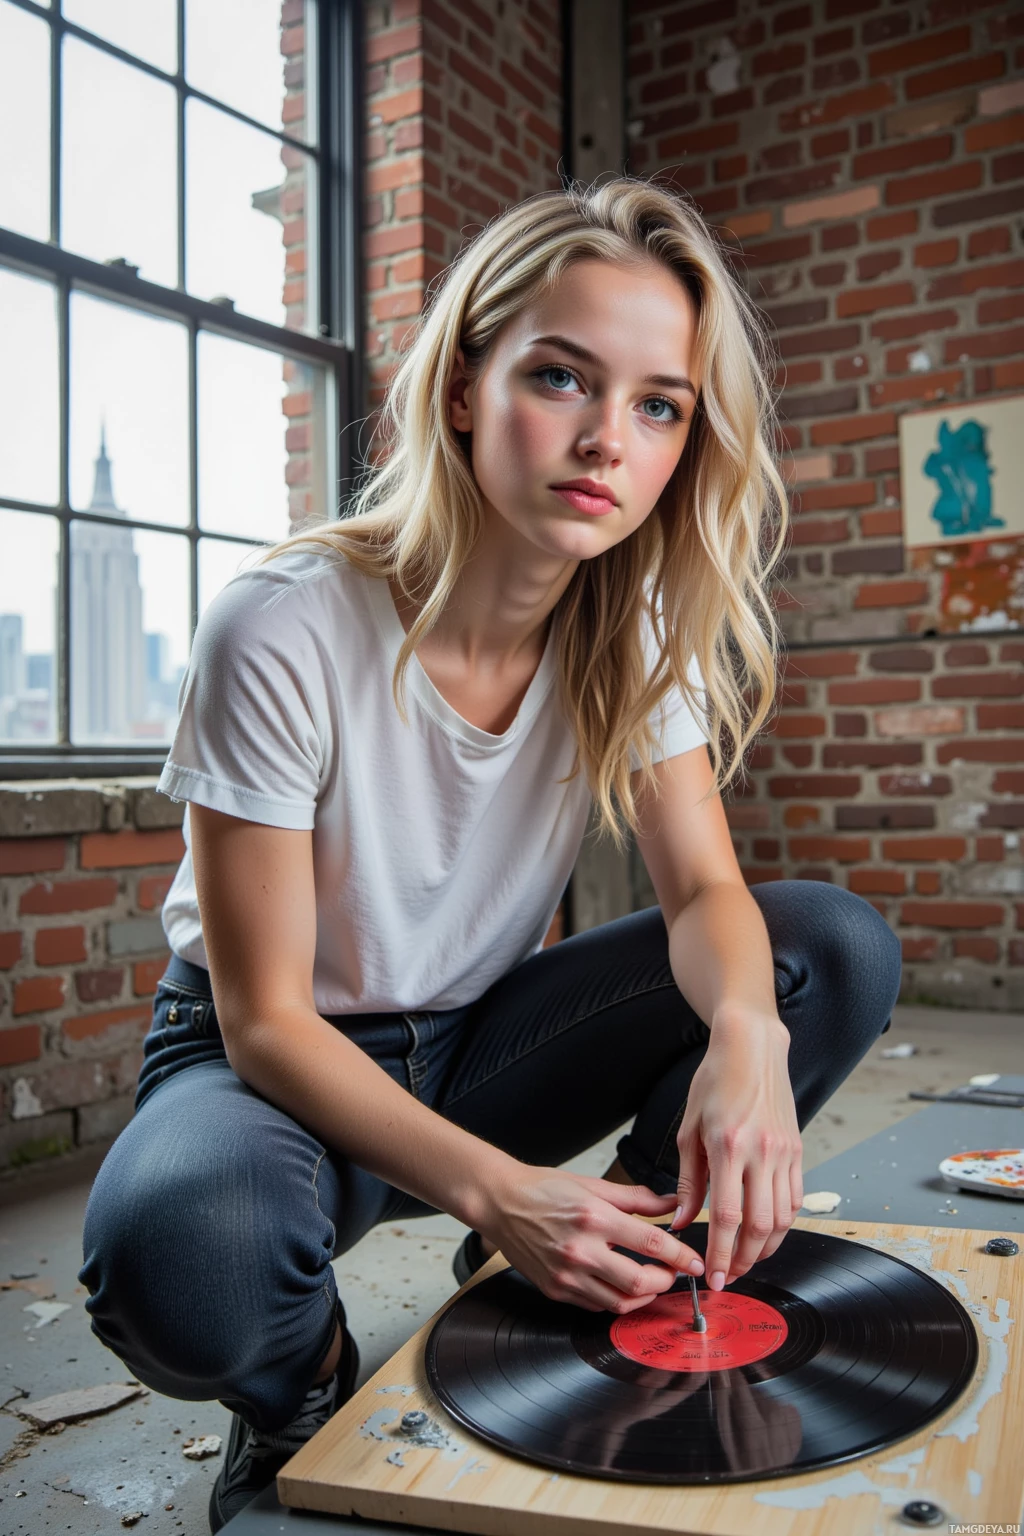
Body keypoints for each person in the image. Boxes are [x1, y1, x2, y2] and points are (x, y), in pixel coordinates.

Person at [79, 177, 902, 1531]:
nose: (606, 440)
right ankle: (302, 1395)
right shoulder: (285, 623)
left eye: (660, 405)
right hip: (273, 1069)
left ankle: (607, 1257)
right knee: (181, 1256)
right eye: (561, 377)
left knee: (828, 947)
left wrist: (749, 1038)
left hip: (478, 1042)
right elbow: (266, 1019)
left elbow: (706, 890)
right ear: (464, 388)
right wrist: (506, 1192)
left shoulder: (633, 627)